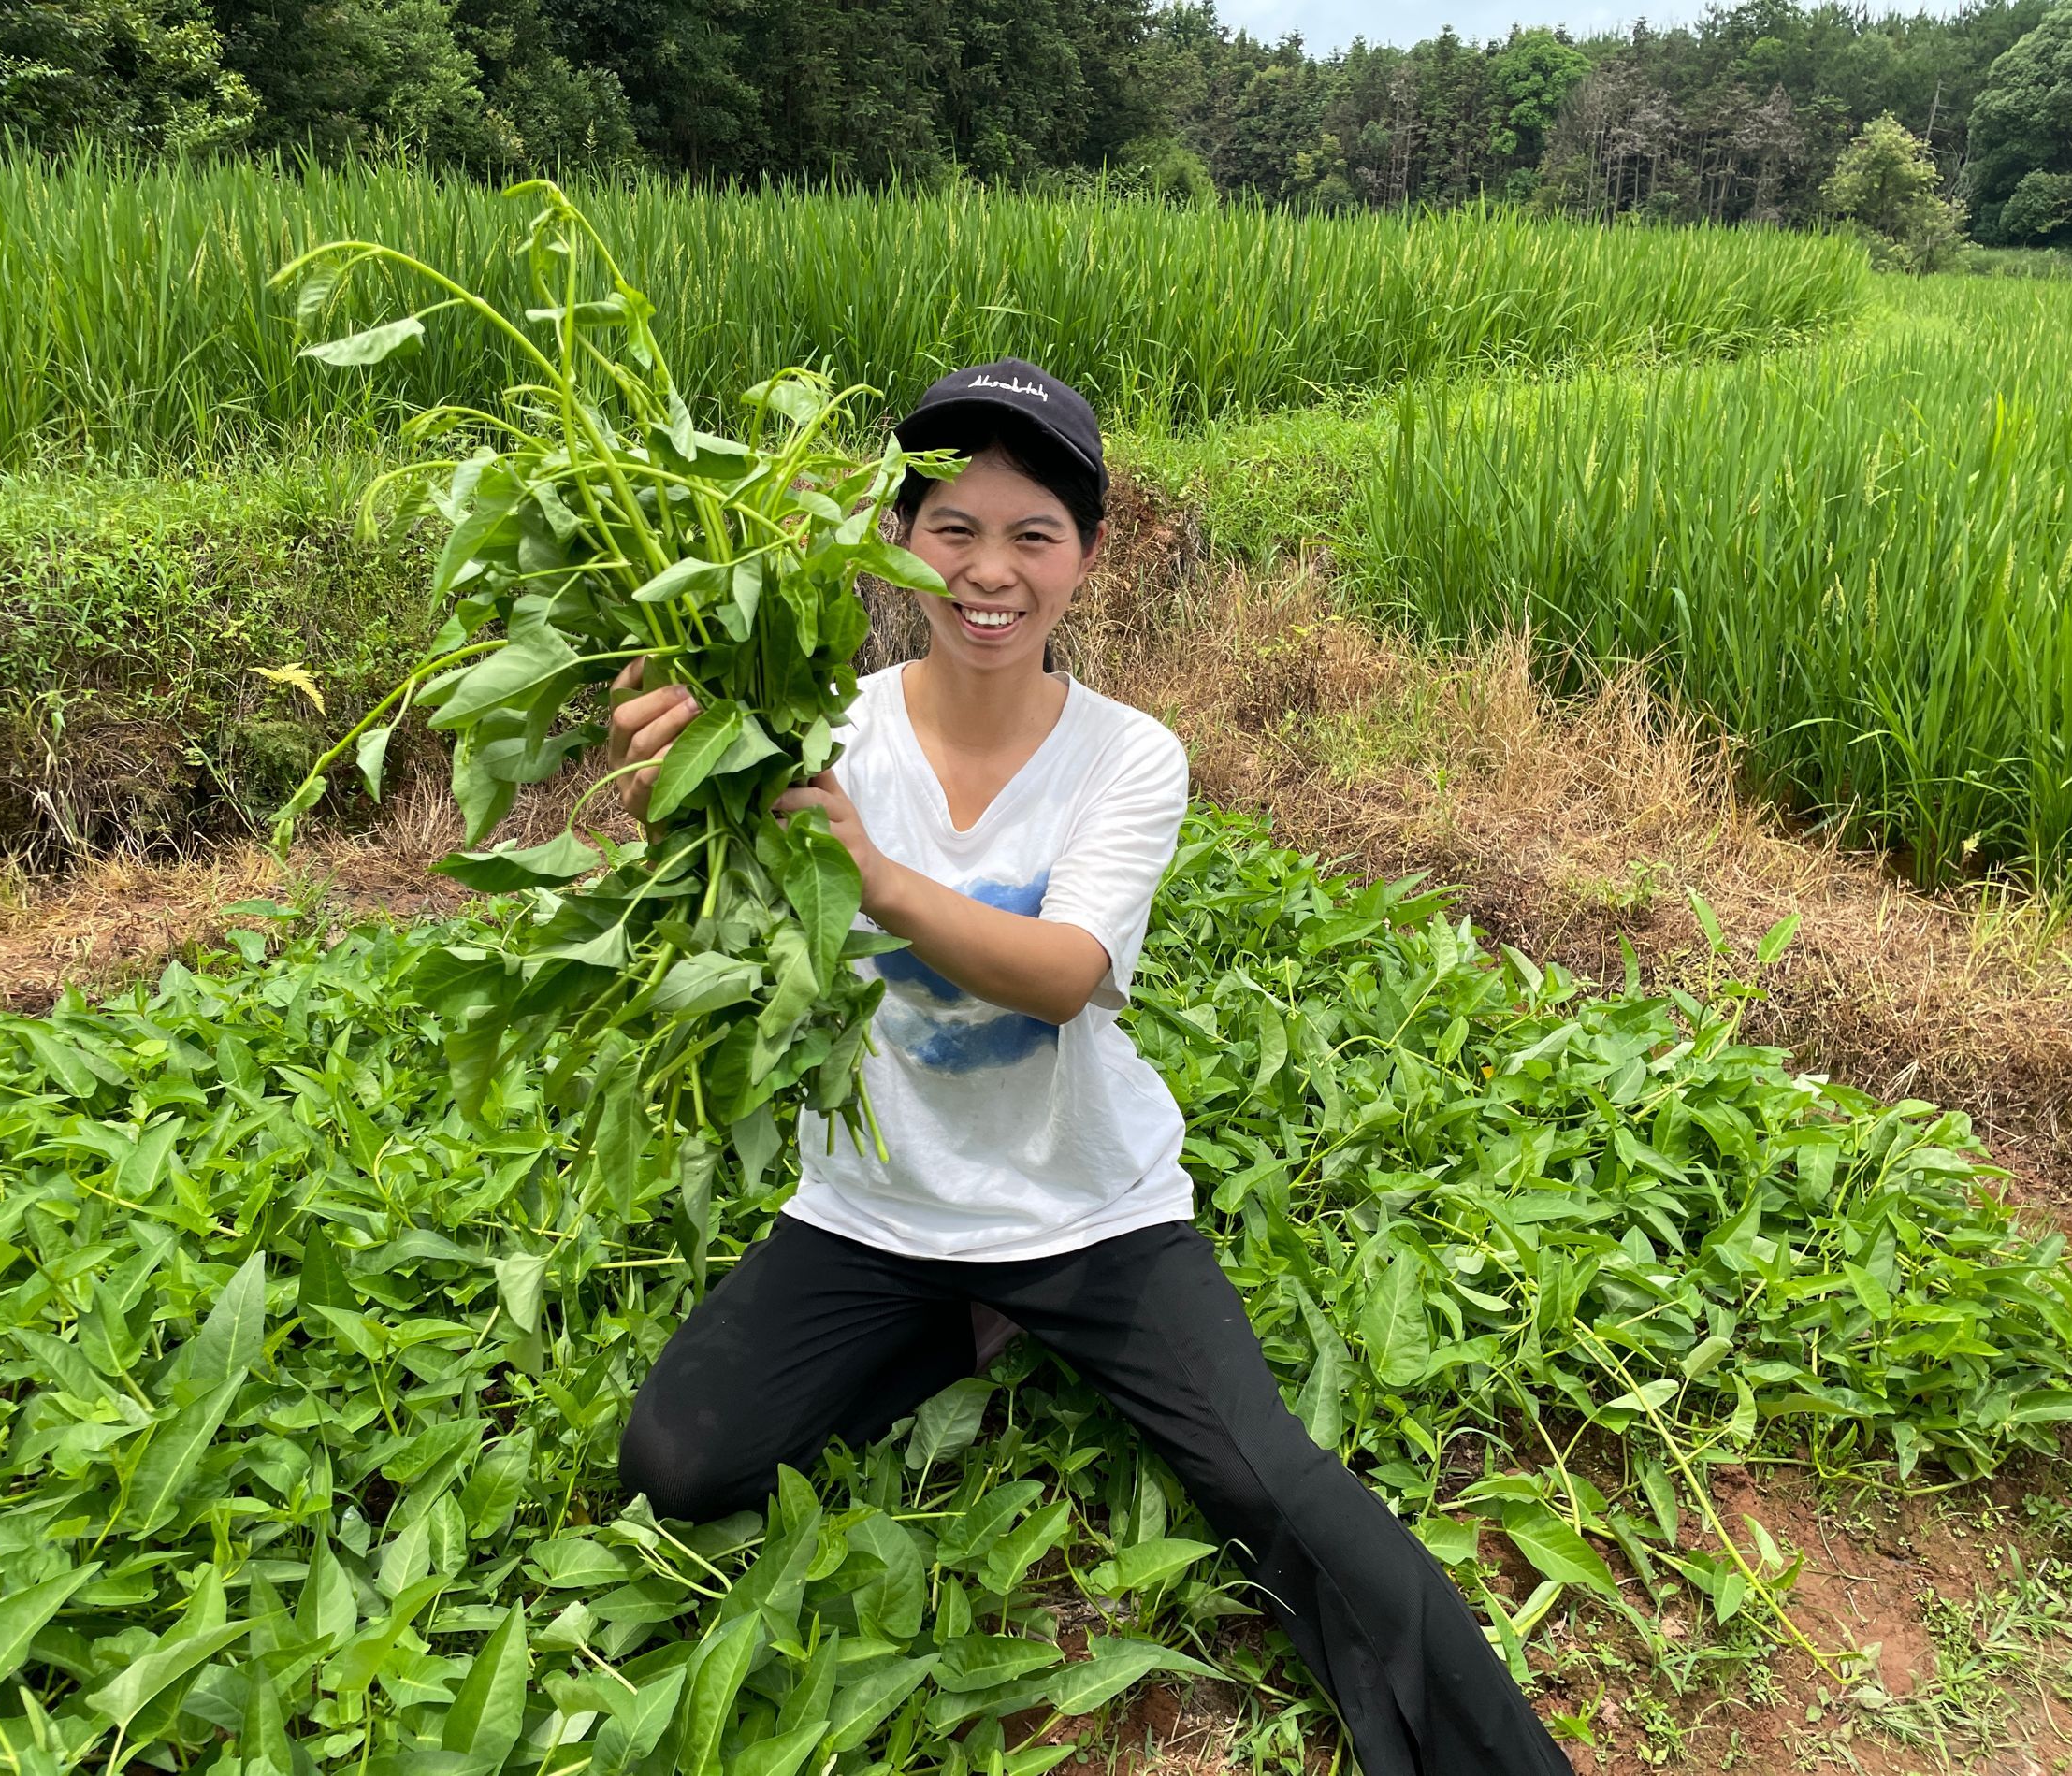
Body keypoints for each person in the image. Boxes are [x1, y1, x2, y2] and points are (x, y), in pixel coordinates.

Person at [606, 359, 1576, 1775]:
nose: (990, 572)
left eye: (1032, 535)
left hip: (1088, 1208)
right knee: (678, 1465)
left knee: (1270, 1483)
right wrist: (678, 796)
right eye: (955, 529)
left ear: (1089, 556)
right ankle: (964, 1323)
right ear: (899, 537)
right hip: (879, 1204)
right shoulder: (828, 729)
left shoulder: (1132, 758)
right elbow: (728, 909)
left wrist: (873, 877)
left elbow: (1063, 976)